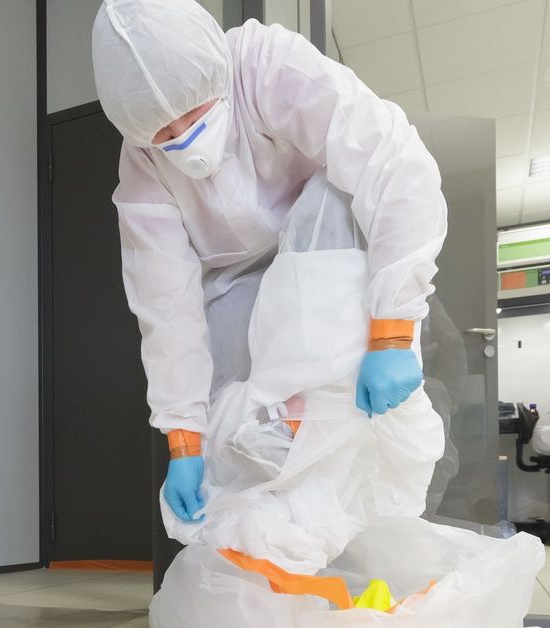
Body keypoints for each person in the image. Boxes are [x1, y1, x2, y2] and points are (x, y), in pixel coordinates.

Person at [91, 0, 447, 524]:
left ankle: (358, 533)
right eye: (163, 134)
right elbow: (167, 307)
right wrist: (184, 439)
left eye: (192, 111)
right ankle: (292, 552)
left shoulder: (264, 66)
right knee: (244, 435)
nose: (183, 138)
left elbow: (391, 164)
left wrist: (391, 329)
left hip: (328, 247)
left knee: (346, 405)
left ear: (213, 69)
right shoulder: (142, 167)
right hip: (234, 282)